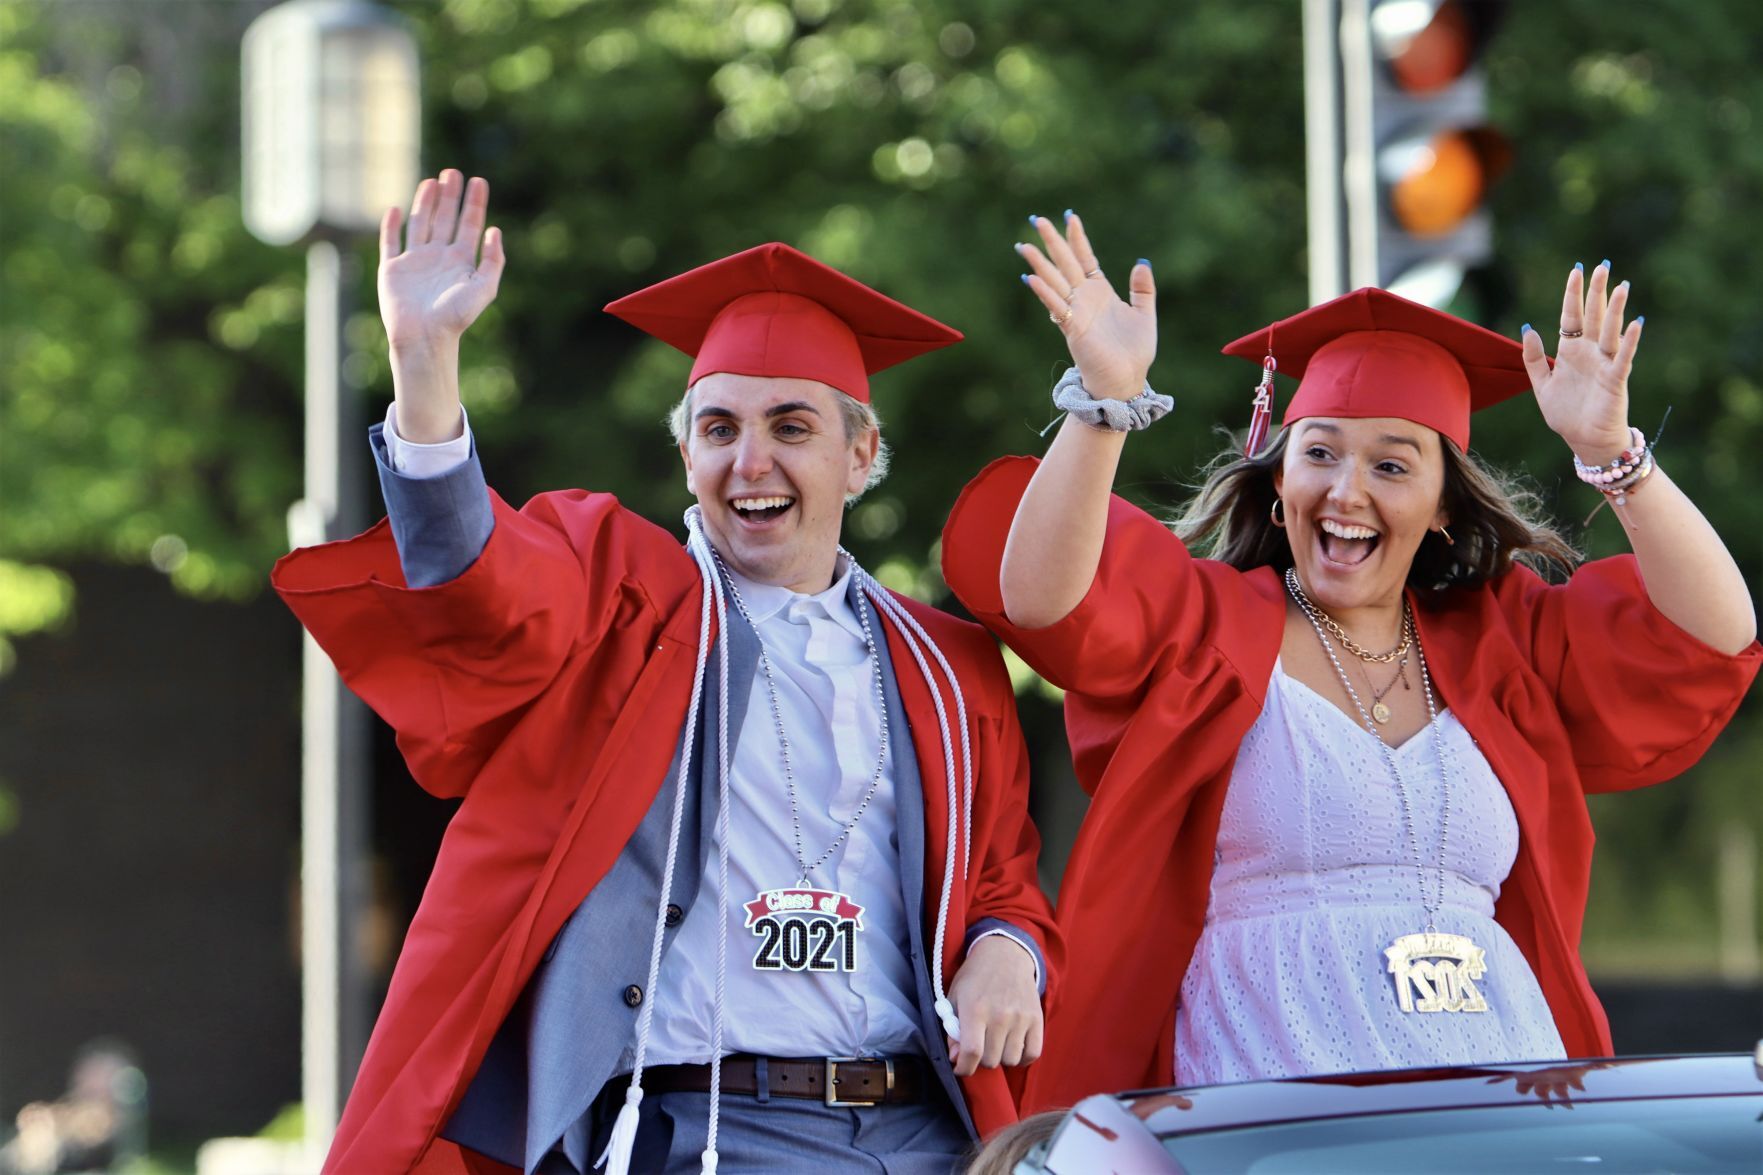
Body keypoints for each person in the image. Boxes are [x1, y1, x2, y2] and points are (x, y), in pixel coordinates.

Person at [272, 170, 1059, 1175]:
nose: (751, 462)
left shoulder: (944, 669)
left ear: (860, 456)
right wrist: (424, 369)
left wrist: (1009, 948)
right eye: (719, 428)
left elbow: (1002, 881)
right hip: (712, 1130)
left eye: (791, 426)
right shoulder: (627, 598)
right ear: (685, 452)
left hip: (929, 1131)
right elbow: (487, 592)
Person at [939, 211, 1759, 1113]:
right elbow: (1043, 595)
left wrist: (1610, 454)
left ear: (1444, 504)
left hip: (1497, 1083)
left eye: (1391, 465)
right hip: (1272, 1088)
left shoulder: (1502, 643)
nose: (1345, 490)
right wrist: (1103, 404)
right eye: (1318, 453)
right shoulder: (1209, 626)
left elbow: (1710, 637)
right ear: (1279, 476)